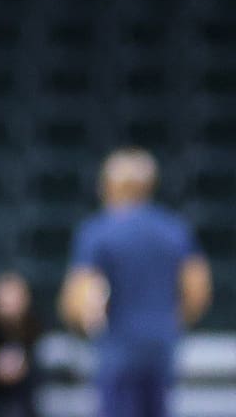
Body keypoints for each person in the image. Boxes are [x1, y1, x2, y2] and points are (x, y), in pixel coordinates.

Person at [60, 148, 212, 417]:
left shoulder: (98, 231)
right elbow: (197, 288)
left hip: (118, 350)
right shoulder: (174, 228)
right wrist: (172, 321)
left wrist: (83, 325)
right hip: (162, 344)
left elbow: (78, 297)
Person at [0, 271, 40, 417]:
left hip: (28, 392)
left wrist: (23, 367)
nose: (8, 306)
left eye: (13, 300)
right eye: (3, 301)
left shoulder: (35, 326)